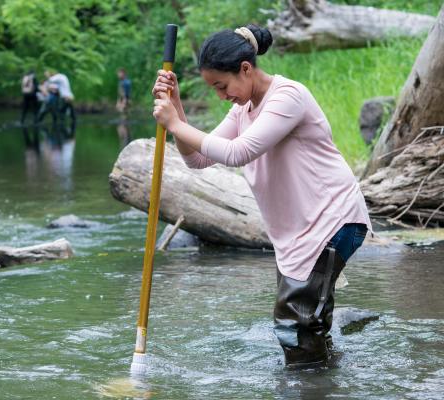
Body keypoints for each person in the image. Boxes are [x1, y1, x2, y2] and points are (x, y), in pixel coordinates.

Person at [151, 24, 372, 369]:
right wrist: (175, 107)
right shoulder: (243, 109)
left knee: (293, 325)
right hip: (301, 230)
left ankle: (308, 388)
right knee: (306, 323)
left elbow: (240, 152)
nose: (222, 96)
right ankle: (326, 380)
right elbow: (197, 159)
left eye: (222, 86)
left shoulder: (288, 97)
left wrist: (175, 125)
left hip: (332, 219)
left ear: (245, 68)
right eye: (214, 90)